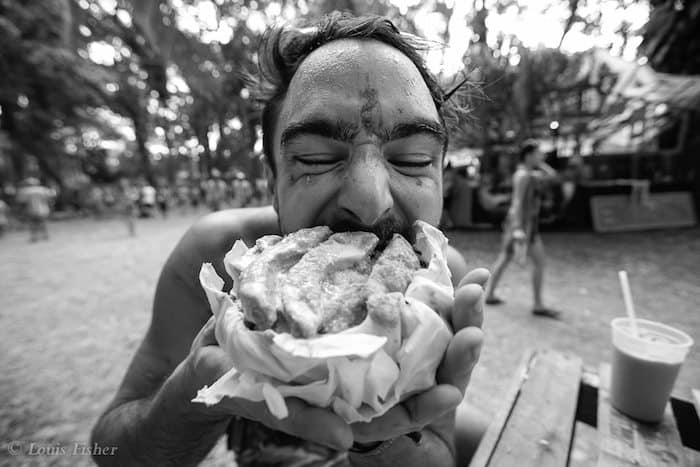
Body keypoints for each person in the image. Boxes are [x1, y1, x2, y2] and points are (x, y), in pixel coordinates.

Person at [91, 14, 489, 467]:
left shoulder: (441, 283)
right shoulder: (217, 257)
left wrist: (379, 437)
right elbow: (113, 451)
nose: (369, 201)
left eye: (414, 159)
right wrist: (197, 390)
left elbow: (437, 454)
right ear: (272, 182)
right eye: (316, 159)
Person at [484, 140, 560, 318]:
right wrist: (518, 228)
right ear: (529, 155)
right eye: (538, 153)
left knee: (505, 258)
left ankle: (490, 294)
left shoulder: (528, 173)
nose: (542, 156)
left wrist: (539, 163)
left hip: (521, 225)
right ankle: (538, 304)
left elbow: (553, 176)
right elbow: (517, 203)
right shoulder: (523, 176)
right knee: (539, 262)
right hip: (523, 226)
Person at [15, 177, 53, 242]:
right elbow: (51, 196)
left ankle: (34, 237)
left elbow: (20, 200)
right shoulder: (42, 189)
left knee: (33, 223)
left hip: (31, 210)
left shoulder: (25, 191)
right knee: (43, 222)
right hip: (43, 209)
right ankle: (45, 235)